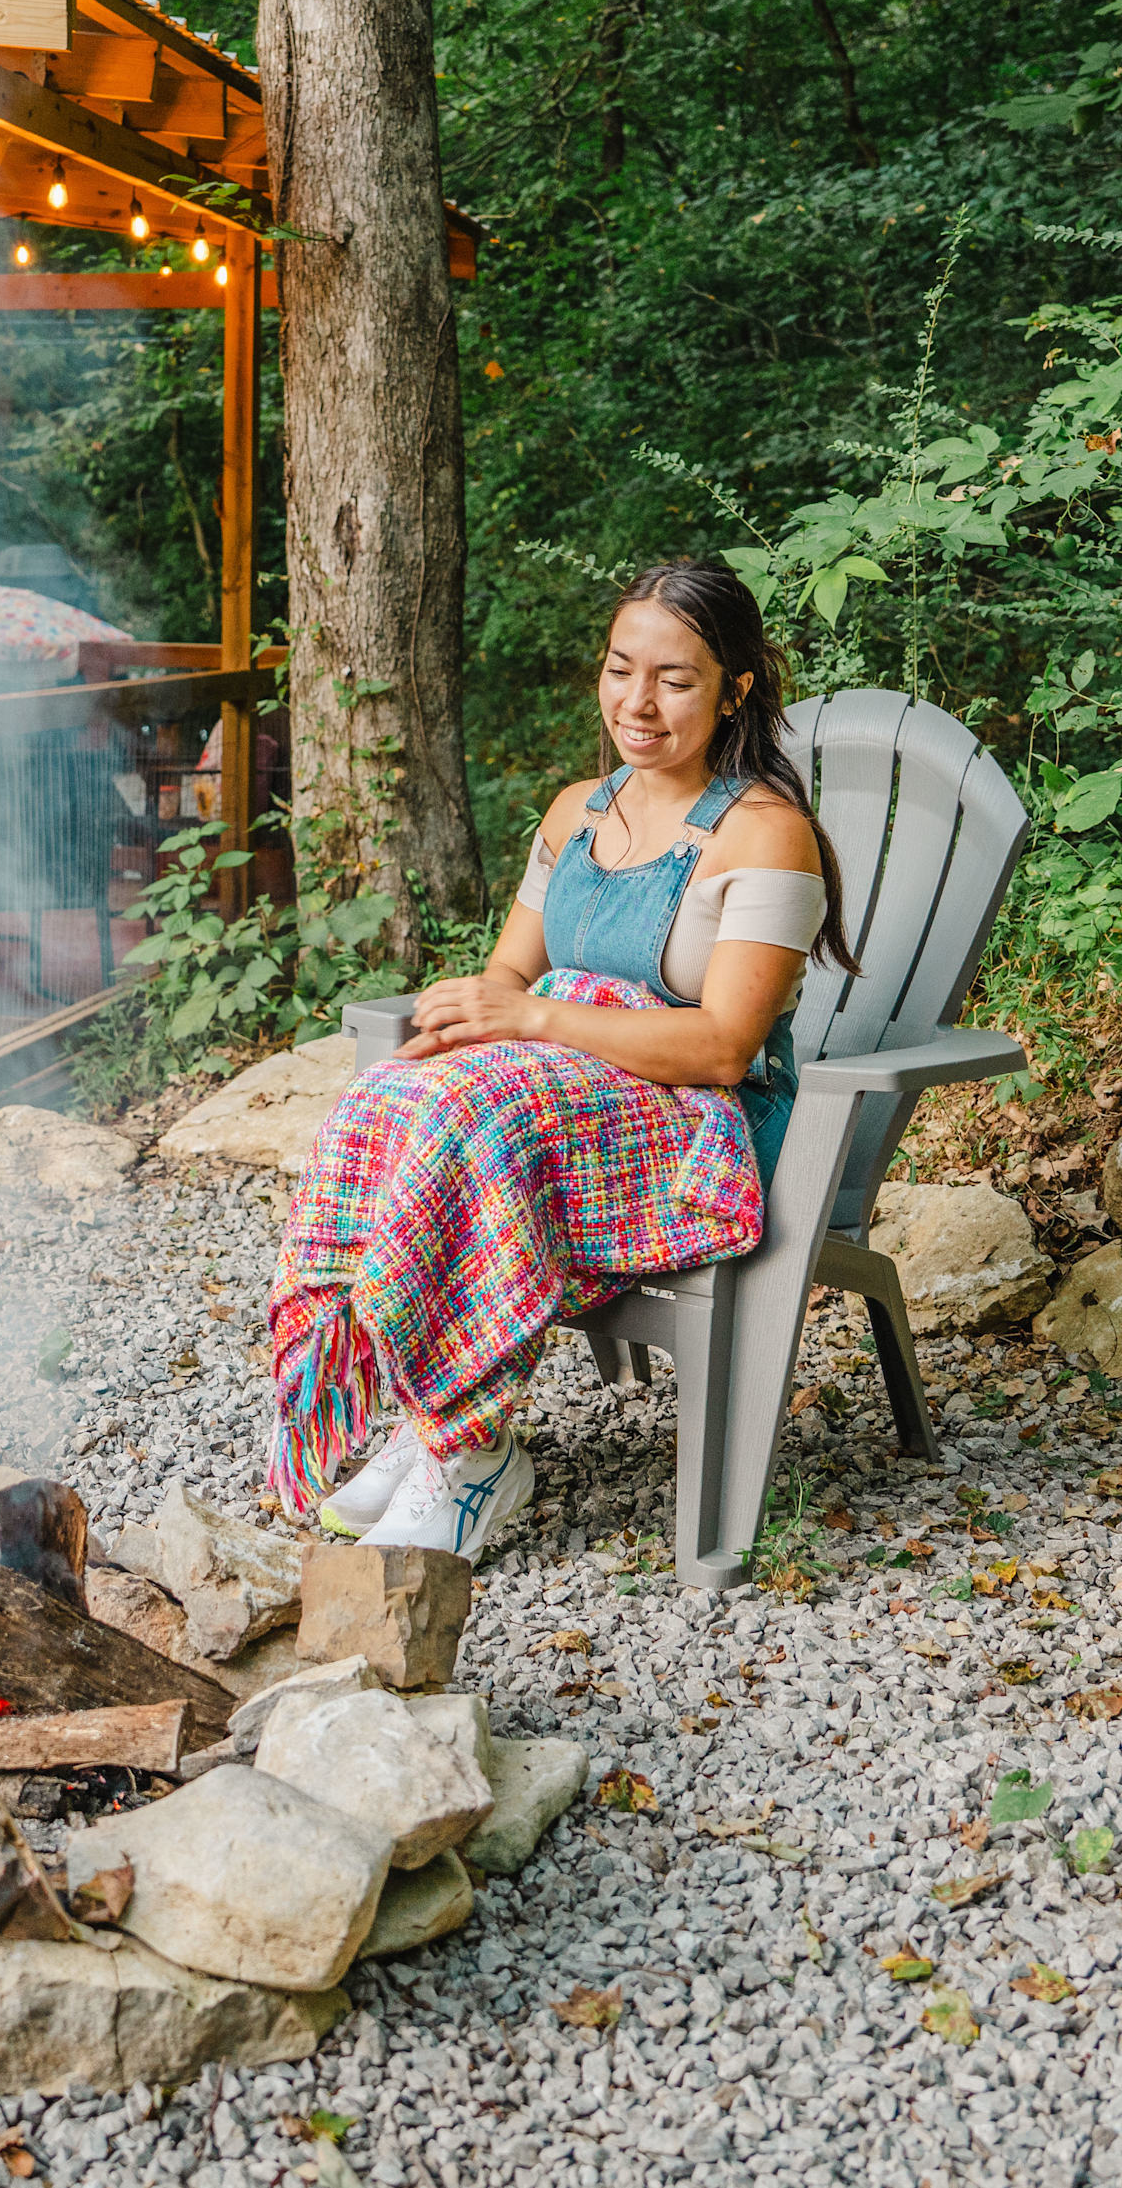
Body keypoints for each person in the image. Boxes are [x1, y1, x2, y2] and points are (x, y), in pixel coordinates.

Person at [261, 557, 860, 1562]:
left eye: (675, 679)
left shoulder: (767, 837)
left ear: (735, 688)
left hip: (699, 1129)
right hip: (574, 1093)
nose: (639, 701)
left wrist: (530, 1021)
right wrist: (467, 1026)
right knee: (387, 1097)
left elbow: (721, 1047)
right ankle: (429, 1406)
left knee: (480, 1114)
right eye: (622, 668)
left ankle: (471, 1453)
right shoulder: (577, 811)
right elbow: (511, 970)